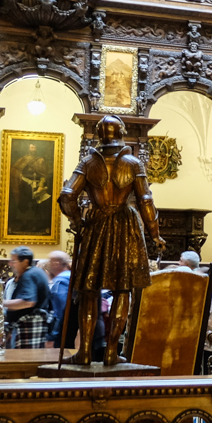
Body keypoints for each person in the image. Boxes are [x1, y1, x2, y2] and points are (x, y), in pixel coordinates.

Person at [58, 115, 165, 366]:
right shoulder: (133, 163)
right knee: (122, 288)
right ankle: (110, 353)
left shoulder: (88, 163)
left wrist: (77, 221)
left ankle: (84, 351)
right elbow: (145, 201)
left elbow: (67, 194)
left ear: (99, 134)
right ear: (122, 132)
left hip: (96, 224)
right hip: (125, 224)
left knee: (89, 290)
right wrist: (155, 234)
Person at [4, 247, 51, 349]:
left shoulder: (29, 275)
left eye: (13, 261)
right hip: (32, 326)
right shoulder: (36, 272)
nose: (10, 264)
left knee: (23, 360)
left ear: (25, 262)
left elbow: (28, 302)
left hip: (27, 327)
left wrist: (0, 303)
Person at [46, 250, 72, 345]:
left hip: (64, 332)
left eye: (50, 261)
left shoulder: (60, 282)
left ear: (56, 263)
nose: (48, 264)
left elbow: (59, 310)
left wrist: (53, 335)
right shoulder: (71, 277)